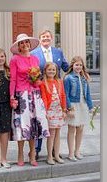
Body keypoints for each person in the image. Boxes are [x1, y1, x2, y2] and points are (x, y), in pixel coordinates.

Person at [9, 33, 49, 167]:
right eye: (21, 43)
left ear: (30, 44)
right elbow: (13, 79)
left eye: (26, 42)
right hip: (22, 96)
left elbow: (38, 79)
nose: (24, 44)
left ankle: (32, 155)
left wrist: (37, 82)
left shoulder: (36, 59)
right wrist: (11, 96)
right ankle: (20, 154)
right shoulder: (14, 59)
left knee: (34, 126)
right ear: (19, 46)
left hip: (35, 95)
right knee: (22, 127)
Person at [31, 29, 69, 159]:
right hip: (40, 90)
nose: (46, 38)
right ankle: (36, 149)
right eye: (43, 36)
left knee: (54, 128)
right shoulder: (33, 53)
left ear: (51, 38)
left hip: (55, 90)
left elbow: (66, 67)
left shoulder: (58, 52)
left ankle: (54, 151)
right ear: (40, 38)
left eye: (48, 36)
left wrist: (79, 74)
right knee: (40, 121)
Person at [63, 56, 94, 161]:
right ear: (72, 66)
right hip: (73, 105)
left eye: (80, 65)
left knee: (80, 129)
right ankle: (71, 153)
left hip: (83, 105)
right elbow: (65, 94)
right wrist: (69, 108)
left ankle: (77, 151)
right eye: (76, 65)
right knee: (72, 129)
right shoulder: (68, 78)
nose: (79, 67)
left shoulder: (84, 78)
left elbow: (88, 93)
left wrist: (90, 106)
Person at [40, 62, 67, 165]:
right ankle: (49, 156)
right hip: (50, 111)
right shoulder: (43, 83)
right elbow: (44, 98)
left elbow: (63, 96)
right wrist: (45, 112)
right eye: (49, 69)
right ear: (45, 71)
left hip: (59, 110)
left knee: (57, 134)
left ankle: (56, 155)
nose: (51, 71)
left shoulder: (59, 82)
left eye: (53, 70)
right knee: (51, 134)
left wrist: (64, 109)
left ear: (56, 71)